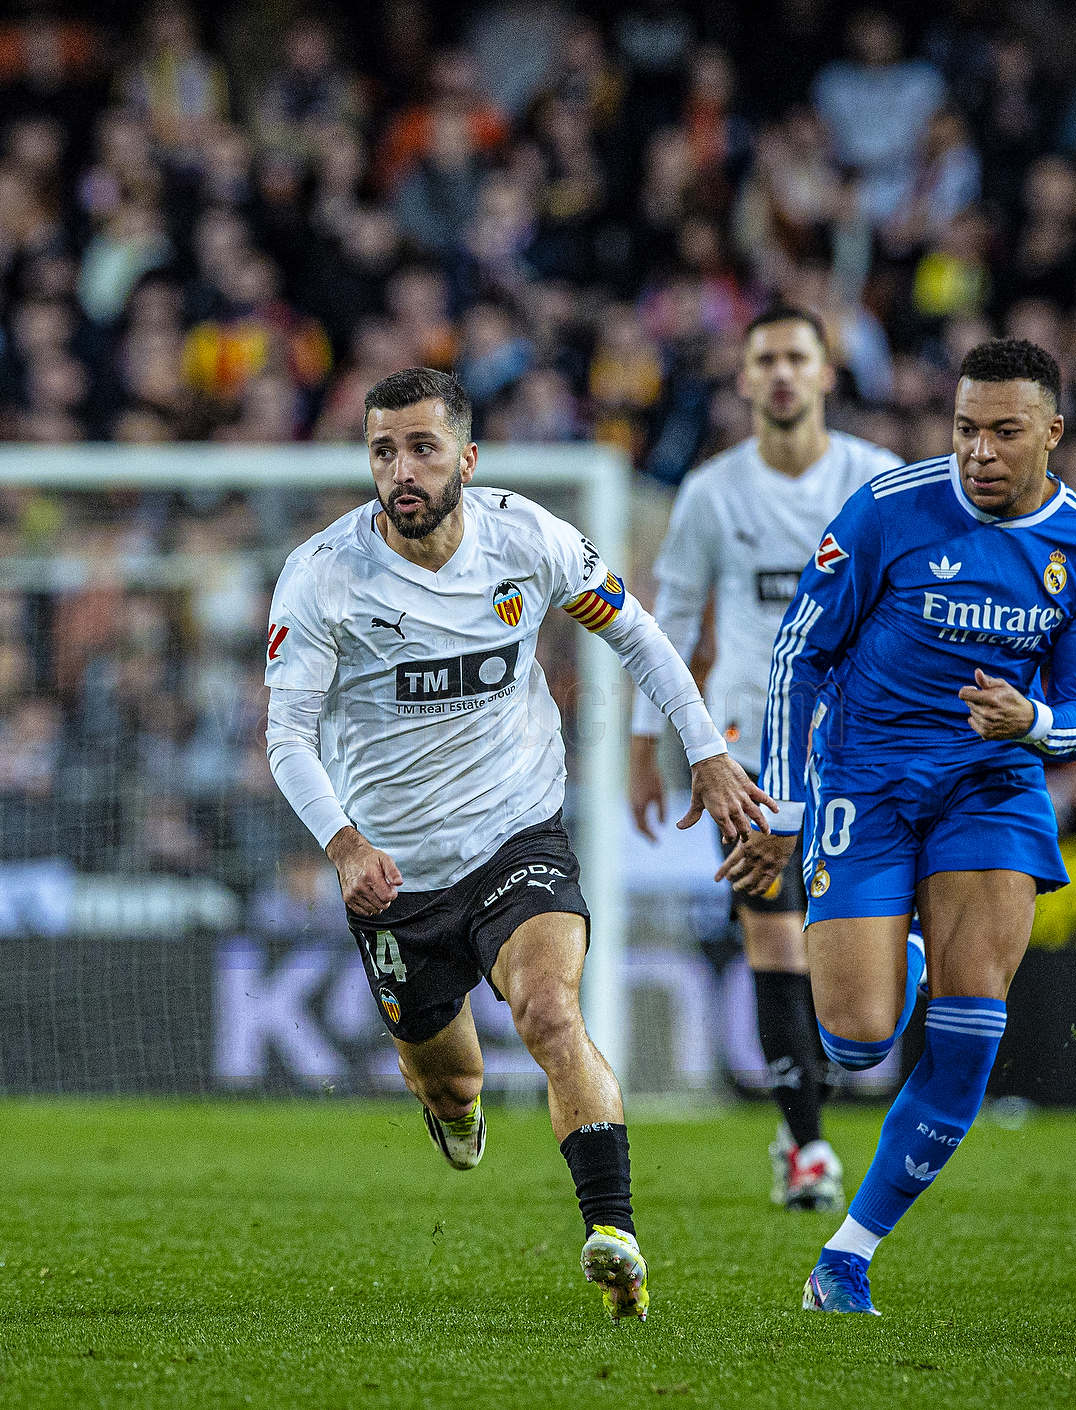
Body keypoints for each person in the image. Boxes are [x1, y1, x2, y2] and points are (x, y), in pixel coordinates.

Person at [264, 367, 769, 1321]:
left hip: (516, 833)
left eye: (420, 447)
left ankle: (612, 1231)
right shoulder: (324, 575)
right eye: (382, 451)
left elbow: (638, 634)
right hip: (393, 872)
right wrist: (342, 845)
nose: (401, 470)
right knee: (448, 1081)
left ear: (467, 455)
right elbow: (286, 734)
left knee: (548, 1012)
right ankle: (455, 1109)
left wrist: (701, 750)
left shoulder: (527, 538)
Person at [724, 339, 1076, 1314]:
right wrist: (779, 804)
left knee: (967, 1031)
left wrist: (1027, 722)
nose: (978, 451)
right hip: (863, 785)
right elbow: (797, 656)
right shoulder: (888, 510)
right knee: (858, 1040)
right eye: (963, 429)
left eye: (1002, 431)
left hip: (990, 788)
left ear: (1050, 433)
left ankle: (848, 1255)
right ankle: (896, 957)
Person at [627, 303, 905, 1213]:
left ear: (827, 374)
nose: (782, 374)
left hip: (863, 745)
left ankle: (805, 1118)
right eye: (765, 360)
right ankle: (810, 1144)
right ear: (744, 381)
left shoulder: (881, 482)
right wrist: (643, 744)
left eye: (797, 357)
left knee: (847, 953)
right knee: (772, 933)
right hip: (751, 742)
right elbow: (664, 627)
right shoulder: (711, 492)